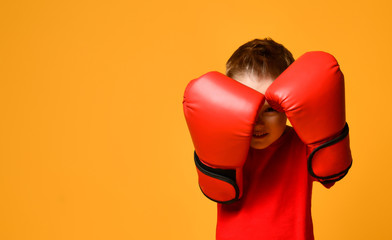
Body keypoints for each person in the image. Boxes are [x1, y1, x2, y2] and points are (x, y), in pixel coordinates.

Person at [183, 38, 352, 240]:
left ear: (289, 105)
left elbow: (333, 171)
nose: (258, 122)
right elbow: (215, 188)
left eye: (270, 109)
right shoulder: (224, 143)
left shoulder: (304, 144)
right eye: (246, 110)